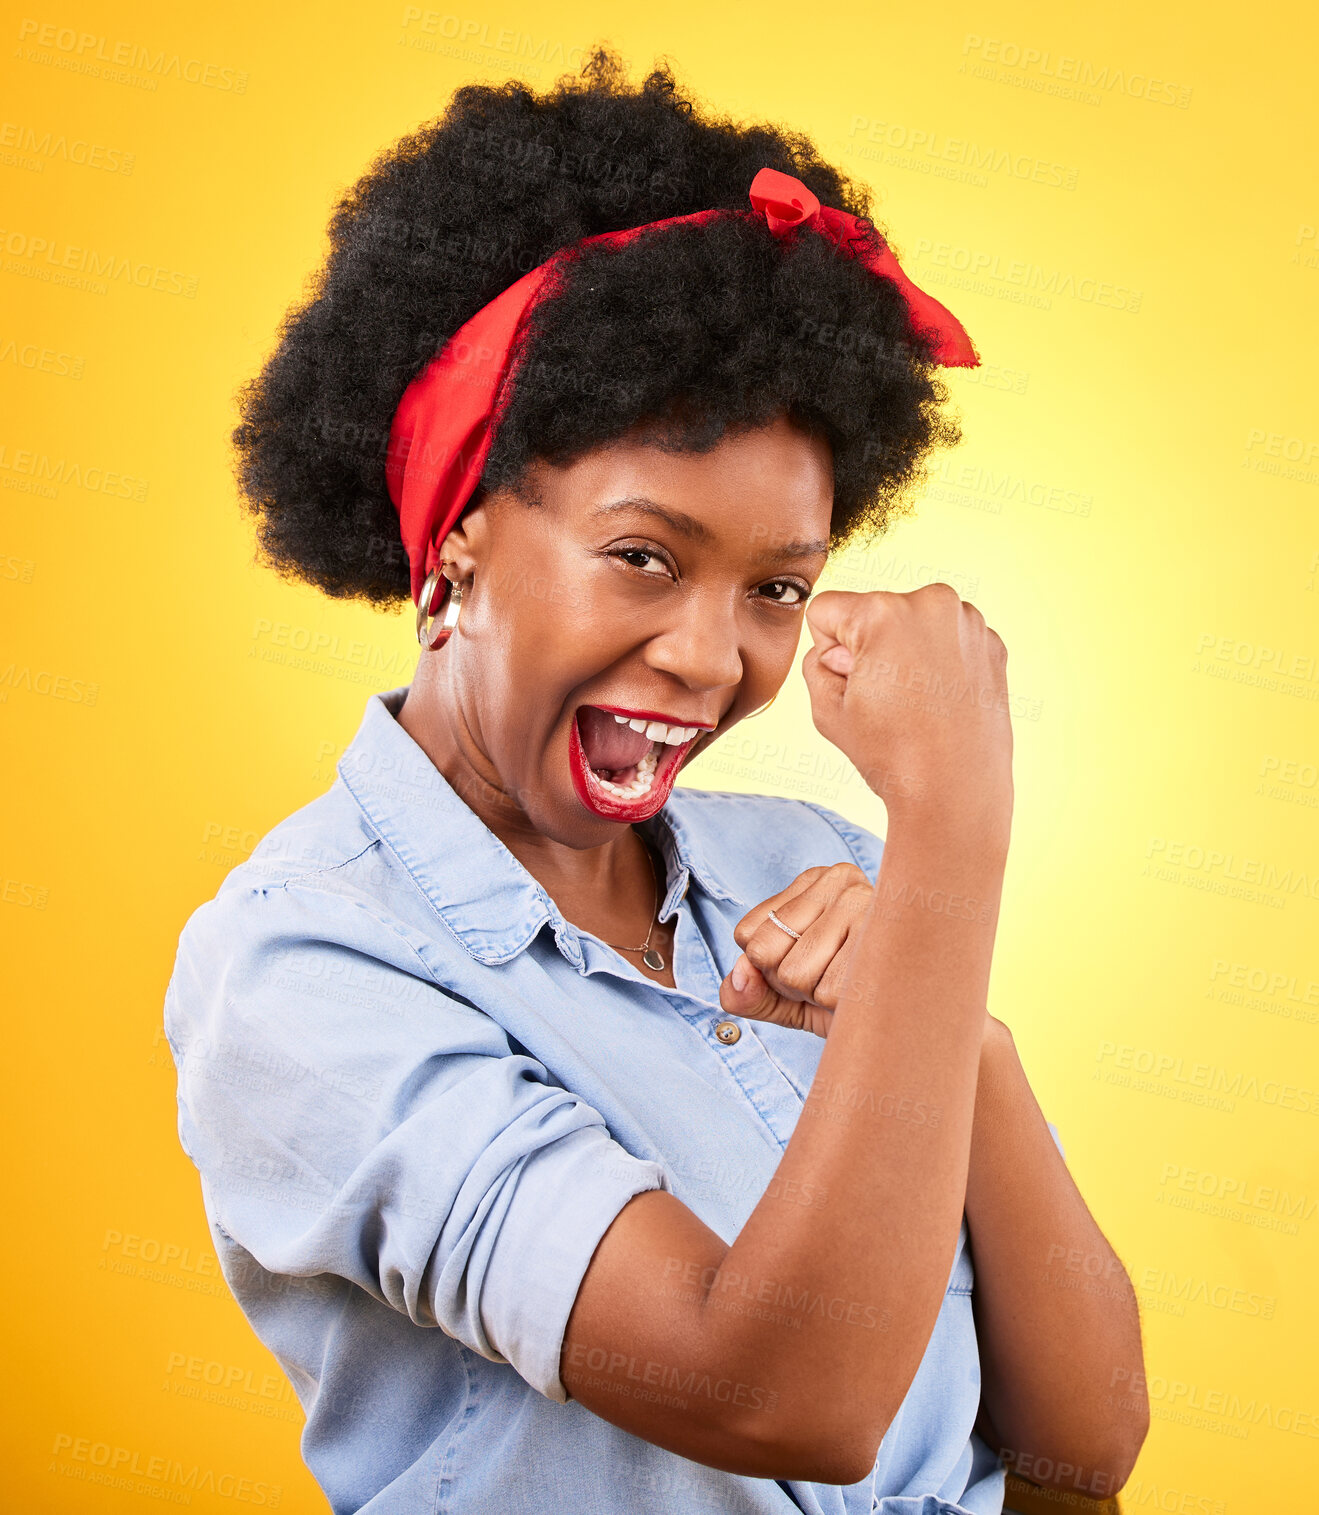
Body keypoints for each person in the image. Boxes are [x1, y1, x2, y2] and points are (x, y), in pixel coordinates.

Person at [163, 46, 1149, 1515]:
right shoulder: (300, 968)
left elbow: (1084, 1457)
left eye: (778, 586)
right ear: (458, 544)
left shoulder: (808, 865)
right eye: (643, 556)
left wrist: (965, 1046)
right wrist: (956, 825)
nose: (711, 655)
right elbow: (781, 1398)